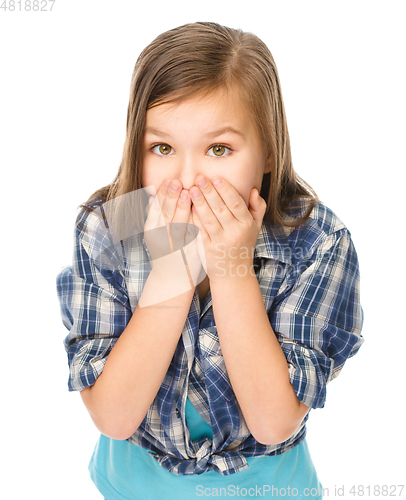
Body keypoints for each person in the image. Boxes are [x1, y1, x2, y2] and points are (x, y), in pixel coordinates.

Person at [56, 22, 364, 500]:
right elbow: (114, 418)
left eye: (218, 149)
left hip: (268, 490)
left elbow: (273, 422)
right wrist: (173, 273)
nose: (188, 178)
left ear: (267, 151)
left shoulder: (318, 242)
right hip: (132, 487)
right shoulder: (108, 229)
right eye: (162, 148)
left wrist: (231, 269)